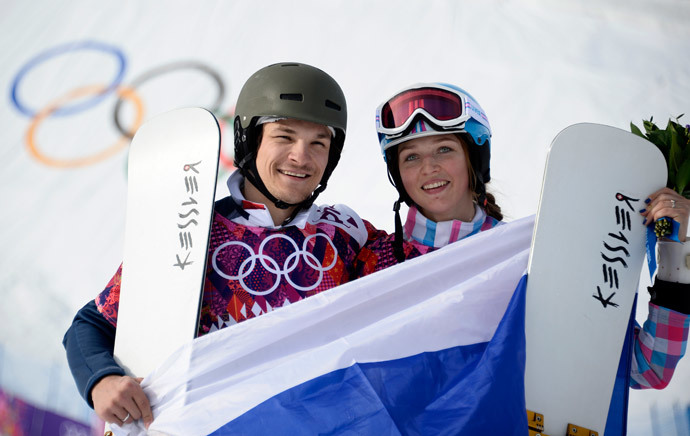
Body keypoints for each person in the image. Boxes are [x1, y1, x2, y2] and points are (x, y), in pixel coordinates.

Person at [63, 62, 411, 428]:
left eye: (318, 143)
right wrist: (101, 380)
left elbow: (421, 270)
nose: (301, 156)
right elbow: (92, 323)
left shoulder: (345, 234)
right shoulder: (193, 230)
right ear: (249, 139)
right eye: (284, 136)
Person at [362, 82, 690, 427]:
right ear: (398, 175)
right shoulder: (373, 262)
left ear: (474, 159)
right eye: (411, 156)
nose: (428, 167)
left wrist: (674, 247)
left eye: (444, 149)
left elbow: (647, 367)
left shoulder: (536, 256)